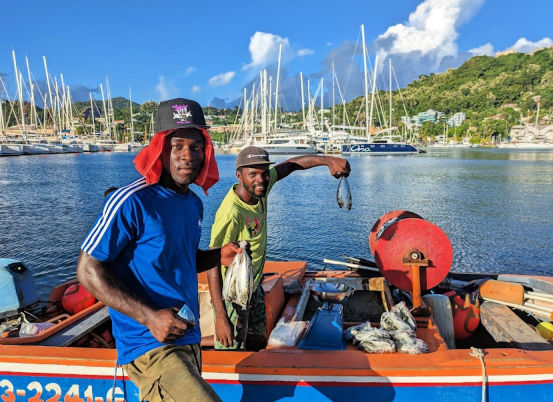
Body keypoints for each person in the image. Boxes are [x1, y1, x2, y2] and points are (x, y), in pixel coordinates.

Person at [77, 98, 239, 402]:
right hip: (149, 343)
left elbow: (180, 260)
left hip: (186, 335)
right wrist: (150, 317)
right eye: (176, 146)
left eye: (195, 147)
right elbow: (88, 270)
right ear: (159, 150)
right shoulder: (131, 200)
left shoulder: (193, 204)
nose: (186, 156)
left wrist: (217, 255)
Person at [208, 147, 351, 350]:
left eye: (264, 173)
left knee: (258, 340)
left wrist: (327, 160)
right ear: (239, 176)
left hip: (253, 284)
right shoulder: (232, 212)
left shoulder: (261, 188)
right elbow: (212, 262)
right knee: (230, 347)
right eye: (253, 174)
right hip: (231, 294)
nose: (261, 179)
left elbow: (292, 165)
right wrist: (221, 316)